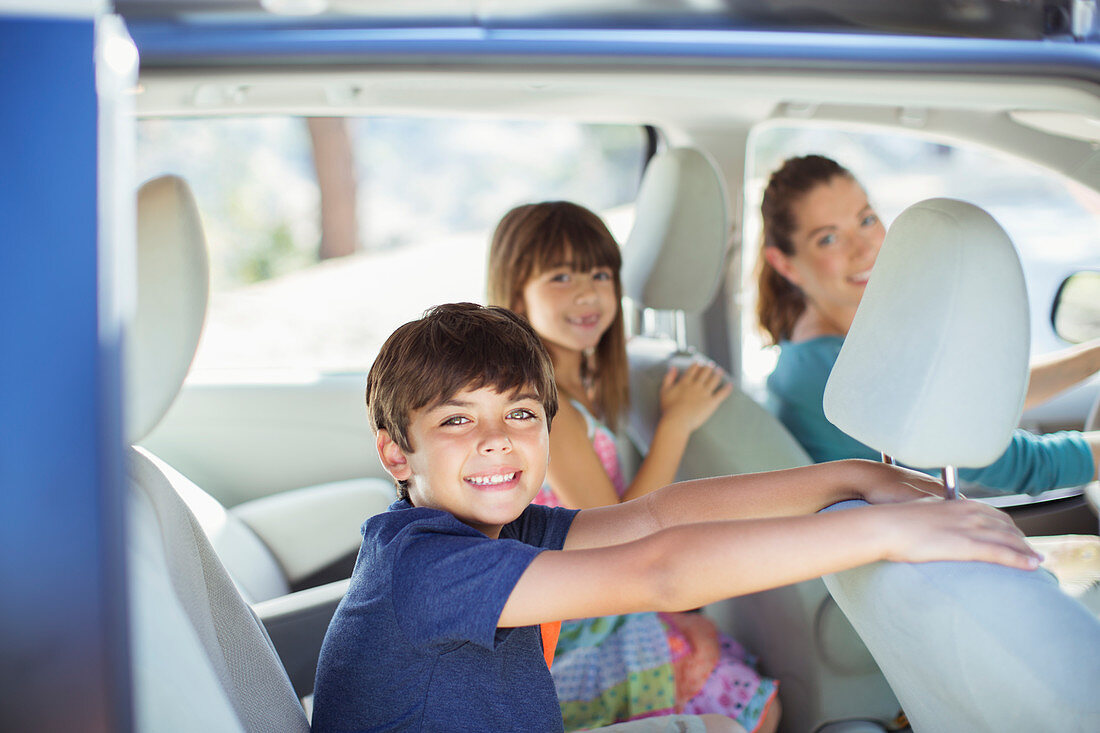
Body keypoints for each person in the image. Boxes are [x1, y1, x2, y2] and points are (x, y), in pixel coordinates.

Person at [310, 302, 1040, 733]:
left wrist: (854, 476)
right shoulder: (427, 567)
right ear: (396, 454)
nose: (496, 437)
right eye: (457, 420)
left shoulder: (492, 529)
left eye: (521, 412)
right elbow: (663, 570)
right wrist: (884, 530)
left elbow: (657, 517)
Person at [488, 201, 778, 733]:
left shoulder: (587, 383)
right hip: (569, 625)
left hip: (596, 592)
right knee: (749, 706)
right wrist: (677, 423)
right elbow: (617, 527)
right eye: (561, 276)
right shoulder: (549, 410)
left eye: (600, 273)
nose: (587, 292)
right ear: (516, 293)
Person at [757, 154, 1100, 493]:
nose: (864, 249)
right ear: (784, 264)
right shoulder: (832, 373)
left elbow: (980, 397)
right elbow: (1032, 466)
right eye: (828, 238)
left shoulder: (823, 350)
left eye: (866, 220)